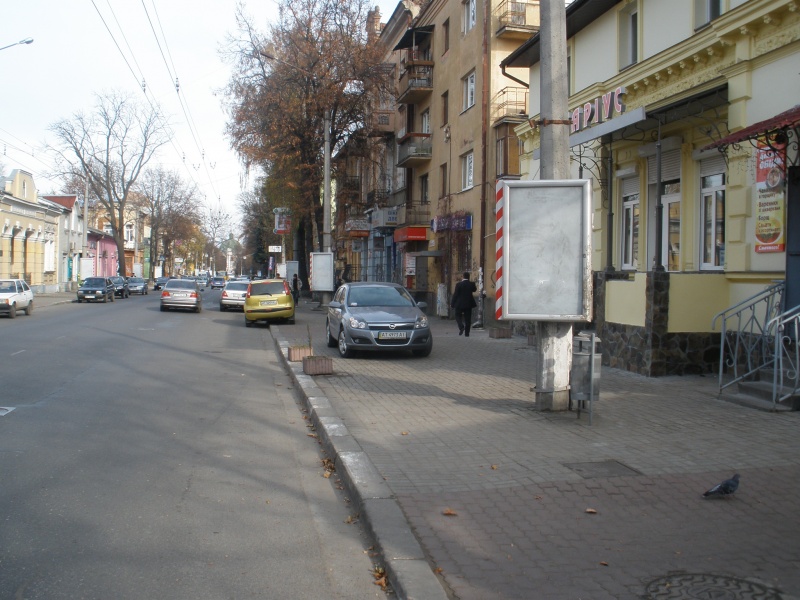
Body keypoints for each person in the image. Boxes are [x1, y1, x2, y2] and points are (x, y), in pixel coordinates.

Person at [451, 271, 477, 337]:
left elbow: (455, 295)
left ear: (463, 276)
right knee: (468, 319)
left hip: (459, 304)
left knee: (457, 315)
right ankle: (467, 334)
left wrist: (452, 304)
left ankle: (461, 326)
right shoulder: (471, 284)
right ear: (469, 277)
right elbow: (474, 290)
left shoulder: (458, 284)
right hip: (468, 304)